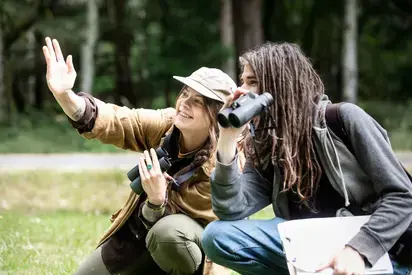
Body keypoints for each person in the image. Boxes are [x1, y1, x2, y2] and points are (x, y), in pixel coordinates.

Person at [201, 42, 412, 275]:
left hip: (367, 244)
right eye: (242, 81)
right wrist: (227, 141)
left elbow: (402, 196)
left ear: (280, 85)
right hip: (304, 240)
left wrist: (359, 249)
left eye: (252, 82)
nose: (241, 91)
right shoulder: (264, 141)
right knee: (217, 237)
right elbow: (231, 209)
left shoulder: (343, 119)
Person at [42, 37, 238, 275]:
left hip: (191, 252)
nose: (184, 104)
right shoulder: (167, 125)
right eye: (185, 94)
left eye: (197, 102)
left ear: (216, 114)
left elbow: (193, 227)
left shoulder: (224, 164)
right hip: (138, 235)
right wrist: (65, 96)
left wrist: (157, 201)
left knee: (168, 235)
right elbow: (117, 120)